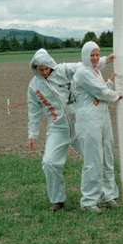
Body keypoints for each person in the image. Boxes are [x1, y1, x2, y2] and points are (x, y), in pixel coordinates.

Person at [27, 48, 104, 211]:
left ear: (50, 65)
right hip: (57, 128)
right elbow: (34, 111)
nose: (44, 72)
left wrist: (102, 60)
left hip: (80, 123)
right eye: (40, 70)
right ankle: (57, 200)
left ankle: (103, 194)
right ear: (35, 68)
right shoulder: (34, 86)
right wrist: (32, 134)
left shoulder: (63, 70)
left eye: (46, 69)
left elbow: (84, 66)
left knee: (93, 158)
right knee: (49, 162)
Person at [72, 41, 122, 212]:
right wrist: (116, 95)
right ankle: (88, 201)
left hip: (103, 118)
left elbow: (100, 90)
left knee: (107, 158)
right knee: (93, 161)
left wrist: (110, 82)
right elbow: (100, 93)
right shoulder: (82, 73)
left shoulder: (95, 71)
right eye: (91, 55)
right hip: (88, 121)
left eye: (96, 55)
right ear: (85, 56)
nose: (94, 58)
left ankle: (107, 196)